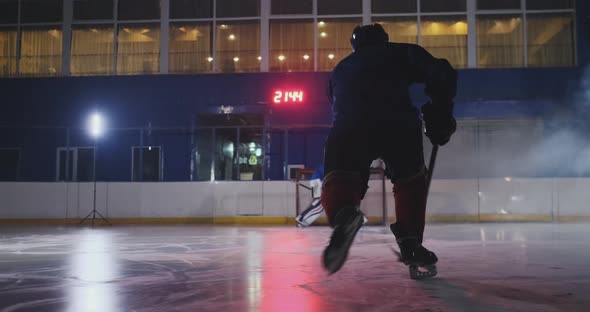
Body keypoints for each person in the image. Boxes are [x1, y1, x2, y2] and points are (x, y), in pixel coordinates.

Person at [320, 23, 457, 278]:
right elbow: (441, 72)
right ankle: (410, 242)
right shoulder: (400, 52)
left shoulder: (339, 69)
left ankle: (345, 214)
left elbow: (336, 101)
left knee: (340, 179)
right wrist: (441, 111)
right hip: (398, 124)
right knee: (410, 181)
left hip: (347, 127)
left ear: (354, 46)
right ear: (384, 39)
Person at [296, 164, 368, 227]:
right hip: (318, 181)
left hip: (319, 180)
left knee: (321, 202)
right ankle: (302, 219)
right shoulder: (340, 166)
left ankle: (301, 219)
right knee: (320, 203)